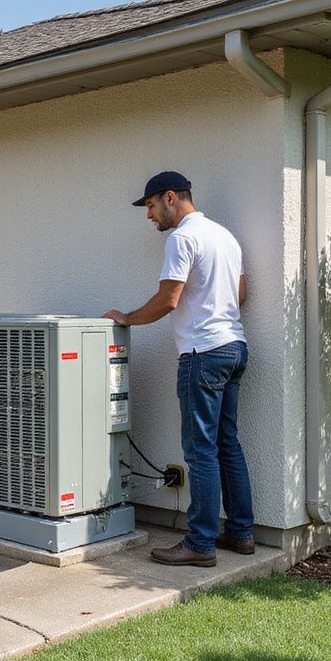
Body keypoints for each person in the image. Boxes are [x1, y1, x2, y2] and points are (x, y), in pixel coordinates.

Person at [103, 171, 253, 567]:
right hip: (234, 346)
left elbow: (168, 299)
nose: (149, 215)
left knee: (200, 450)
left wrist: (127, 319)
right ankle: (240, 533)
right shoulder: (225, 236)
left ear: (171, 198)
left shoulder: (182, 238)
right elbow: (240, 295)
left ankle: (200, 543)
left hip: (202, 353)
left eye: (151, 205)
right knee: (227, 444)